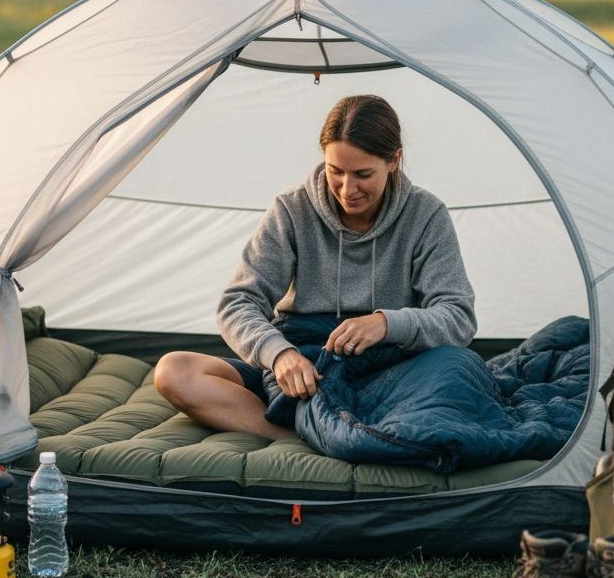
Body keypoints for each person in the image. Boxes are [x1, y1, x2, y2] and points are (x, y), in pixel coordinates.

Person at [153, 95, 477, 439]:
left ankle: (325, 429)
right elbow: (238, 303)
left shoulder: (426, 215)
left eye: (363, 174)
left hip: (389, 370)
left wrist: (385, 323)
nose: (347, 189)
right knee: (174, 371)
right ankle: (302, 436)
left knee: (460, 368)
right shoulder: (291, 210)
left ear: (394, 160)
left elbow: (458, 318)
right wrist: (280, 356)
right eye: (335, 171)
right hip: (302, 370)